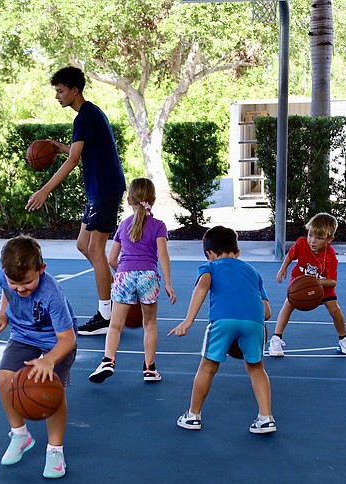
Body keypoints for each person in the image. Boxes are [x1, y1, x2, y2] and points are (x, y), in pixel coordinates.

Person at [25, 65, 126, 336]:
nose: (57, 96)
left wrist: (44, 190)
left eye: (60, 91)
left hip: (104, 188)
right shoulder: (88, 115)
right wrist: (58, 146)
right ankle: (120, 296)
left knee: (96, 250)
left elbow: (72, 161)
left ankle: (107, 313)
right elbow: (79, 151)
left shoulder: (85, 117)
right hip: (98, 188)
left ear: (74, 90)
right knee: (84, 244)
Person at [0, 235, 78, 479]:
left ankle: (55, 450)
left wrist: (49, 360)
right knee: (4, 378)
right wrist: (3, 315)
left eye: (27, 282)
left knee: (52, 390)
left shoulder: (51, 294)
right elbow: (7, 291)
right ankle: (20, 435)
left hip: (56, 340)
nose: (20, 288)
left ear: (42, 269)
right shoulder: (4, 277)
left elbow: (68, 339)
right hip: (24, 334)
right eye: (15, 282)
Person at [168, 226, 276, 434]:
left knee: (207, 368)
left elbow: (202, 287)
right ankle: (266, 418)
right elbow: (268, 312)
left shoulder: (211, 267)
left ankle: (193, 415)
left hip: (223, 320)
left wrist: (188, 321)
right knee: (256, 368)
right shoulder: (253, 272)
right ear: (238, 251)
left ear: (209, 254)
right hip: (255, 322)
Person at [88, 178, 175, 384]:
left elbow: (111, 258)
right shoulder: (158, 226)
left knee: (116, 326)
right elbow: (163, 255)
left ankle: (108, 360)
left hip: (125, 275)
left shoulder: (123, 225)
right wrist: (168, 284)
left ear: (128, 200)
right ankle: (150, 369)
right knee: (150, 324)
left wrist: (123, 274)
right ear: (152, 200)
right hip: (148, 276)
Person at [268, 212, 346, 356]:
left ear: (330, 239)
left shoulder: (330, 256)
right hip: (300, 280)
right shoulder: (301, 243)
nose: (312, 241)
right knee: (288, 305)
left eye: (319, 238)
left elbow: (332, 282)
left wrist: (317, 281)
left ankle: (344, 339)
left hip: (321, 284)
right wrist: (283, 268)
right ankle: (276, 339)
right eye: (310, 235)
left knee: (335, 310)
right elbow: (291, 255)